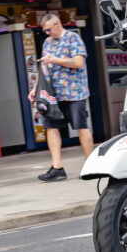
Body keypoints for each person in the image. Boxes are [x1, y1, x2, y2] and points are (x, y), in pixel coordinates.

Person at [35, 14, 91, 182]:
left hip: (75, 92)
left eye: (49, 29)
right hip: (54, 94)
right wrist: (35, 88)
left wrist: (55, 59)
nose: (47, 33)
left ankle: (90, 165)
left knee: (80, 126)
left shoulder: (73, 39)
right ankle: (57, 167)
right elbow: (44, 66)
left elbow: (78, 62)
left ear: (57, 25)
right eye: (45, 30)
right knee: (51, 127)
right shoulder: (47, 43)